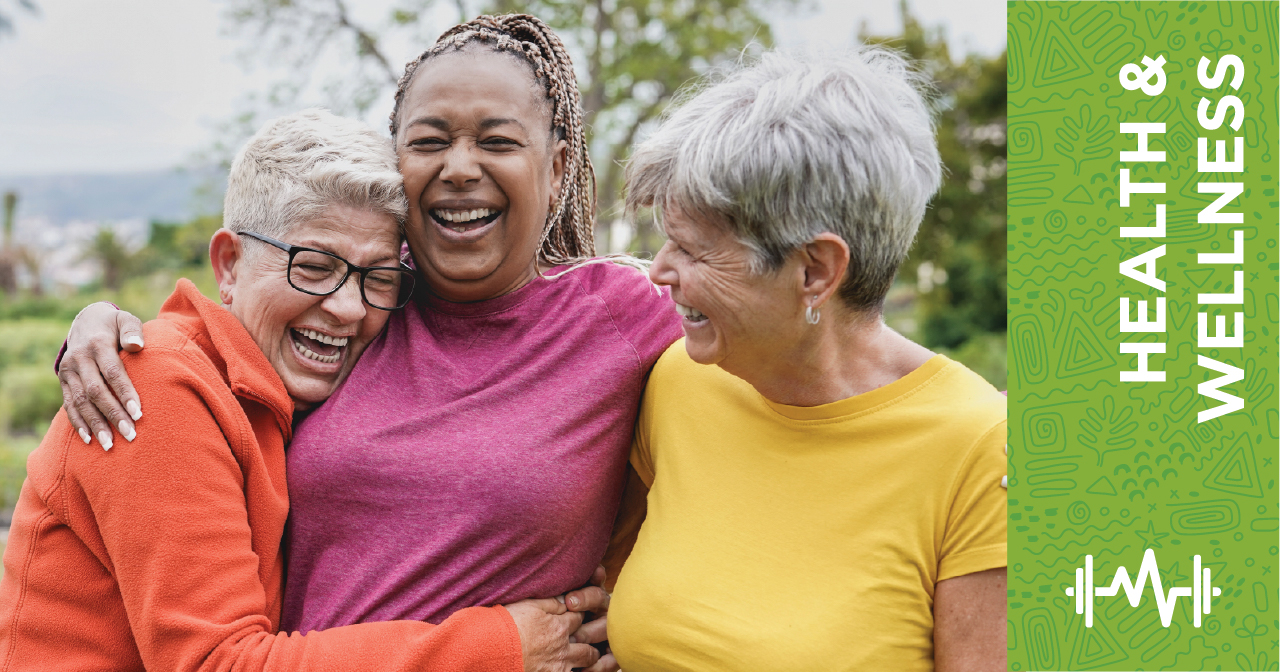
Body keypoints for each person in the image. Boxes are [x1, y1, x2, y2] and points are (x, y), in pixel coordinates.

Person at [52, 15, 675, 670]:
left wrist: (640, 616)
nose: (460, 167)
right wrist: (109, 328)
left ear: (557, 167)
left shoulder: (621, 316)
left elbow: (761, 369)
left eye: (497, 141)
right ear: (398, 161)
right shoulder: (368, 304)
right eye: (430, 141)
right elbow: (223, 352)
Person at [604, 49, 1007, 671]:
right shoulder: (680, 379)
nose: (659, 271)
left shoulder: (982, 450)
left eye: (693, 250)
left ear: (816, 271)